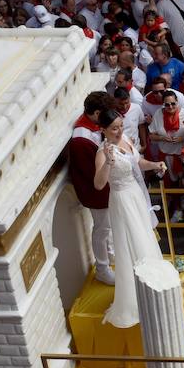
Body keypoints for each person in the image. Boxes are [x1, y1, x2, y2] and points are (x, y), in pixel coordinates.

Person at [93, 106, 167, 328]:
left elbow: (137, 162)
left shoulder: (125, 139)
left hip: (135, 195)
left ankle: (155, 284)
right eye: (114, 128)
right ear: (103, 130)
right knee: (132, 243)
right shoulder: (101, 152)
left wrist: (155, 164)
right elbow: (98, 184)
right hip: (122, 200)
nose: (118, 131)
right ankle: (137, 296)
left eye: (120, 126)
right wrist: (107, 161)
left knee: (145, 236)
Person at [68, 93, 117, 284]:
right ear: (97, 113)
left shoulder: (92, 127)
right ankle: (102, 269)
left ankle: (111, 255)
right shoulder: (81, 139)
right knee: (102, 229)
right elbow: (92, 173)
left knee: (109, 227)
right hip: (97, 193)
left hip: (105, 189)